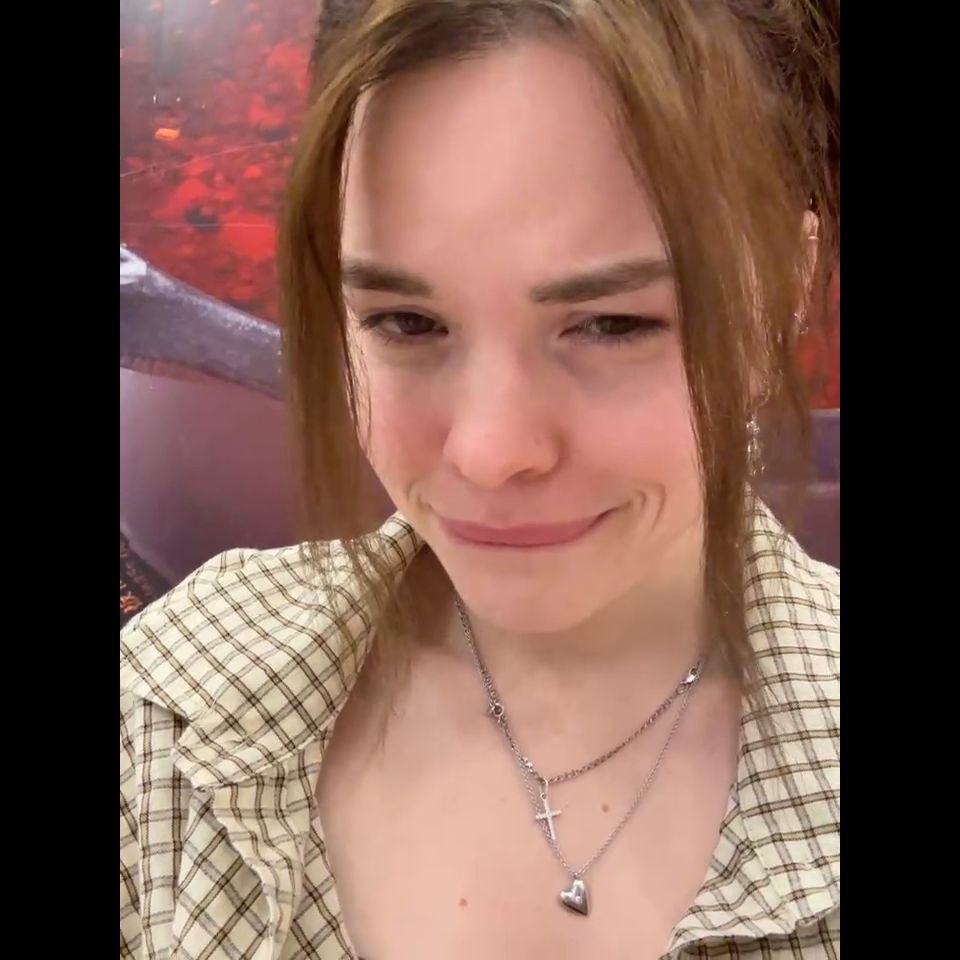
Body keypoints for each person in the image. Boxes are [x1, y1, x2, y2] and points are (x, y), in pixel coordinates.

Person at [120, 1, 839, 957]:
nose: (489, 452)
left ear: (787, 287)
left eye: (615, 325)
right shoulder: (174, 703)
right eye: (406, 323)